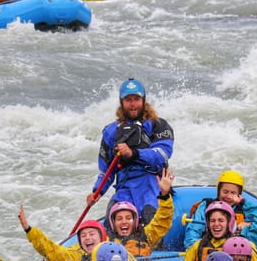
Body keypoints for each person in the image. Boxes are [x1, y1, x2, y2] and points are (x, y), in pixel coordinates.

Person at [86, 78, 175, 228]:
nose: (133, 104)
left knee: (150, 219)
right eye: (128, 100)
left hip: (152, 184)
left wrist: (134, 153)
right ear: (122, 103)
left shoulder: (158, 125)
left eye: (136, 99)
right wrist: (97, 192)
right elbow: (106, 171)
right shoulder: (110, 132)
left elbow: (163, 153)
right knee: (112, 221)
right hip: (125, 187)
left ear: (144, 100)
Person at [183, 171, 257, 250]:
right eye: (225, 192)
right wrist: (196, 250)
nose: (228, 196)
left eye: (233, 193)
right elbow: (193, 231)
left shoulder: (245, 209)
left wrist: (244, 207)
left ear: (239, 195)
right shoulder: (206, 206)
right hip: (209, 251)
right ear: (219, 191)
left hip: (236, 253)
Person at [107, 168, 175, 256]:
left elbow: (163, 220)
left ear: (135, 221)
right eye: (119, 219)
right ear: (113, 224)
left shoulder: (147, 235)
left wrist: (164, 195)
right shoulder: (107, 241)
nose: (124, 221)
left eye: (128, 218)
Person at [19, 204, 108, 260]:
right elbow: (51, 251)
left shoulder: (113, 249)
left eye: (91, 234)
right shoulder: (76, 254)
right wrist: (28, 229)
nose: (87, 237)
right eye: (83, 236)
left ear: (102, 238)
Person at [184, 201, 257, 261]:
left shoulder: (244, 245)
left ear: (229, 223)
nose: (216, 224)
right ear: (208, 224)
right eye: (212, 221)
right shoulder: (197, 246)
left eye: (221, 220)